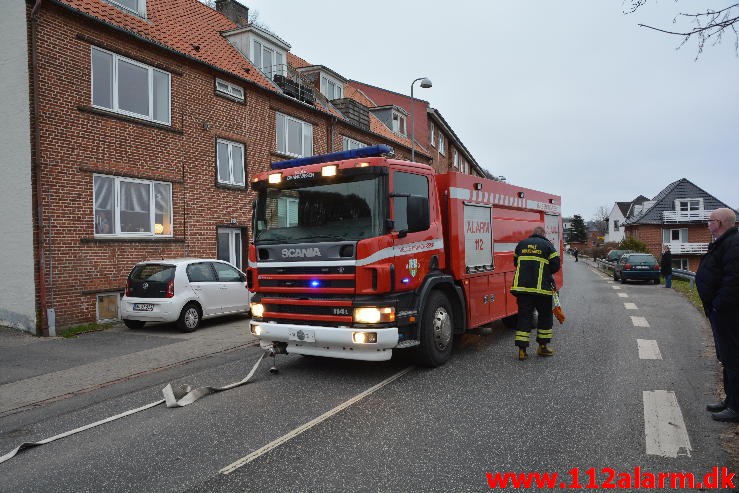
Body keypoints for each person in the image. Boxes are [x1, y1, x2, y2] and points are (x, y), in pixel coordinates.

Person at [696, 207, 739, 422]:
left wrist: (718, 306)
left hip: (729, 314)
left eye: (710, 220)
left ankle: (736, 407)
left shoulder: (734, 244)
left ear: (720, 223)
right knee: (726, 357)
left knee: (734, 358)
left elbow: (734, 281)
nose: (707, 224)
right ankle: (729, 400)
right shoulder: (725, 242)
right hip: (721, 312)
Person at [510, 226, 561, 360]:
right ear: (543, 235)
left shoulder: (521, 244)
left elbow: (516, 262)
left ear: (533, 234)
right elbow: (556, 265)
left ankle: (522, 350)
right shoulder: (548, 245)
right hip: (542, 290)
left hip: (523, 290)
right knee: (545, 317)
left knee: (524, 317)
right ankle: (543, 347)